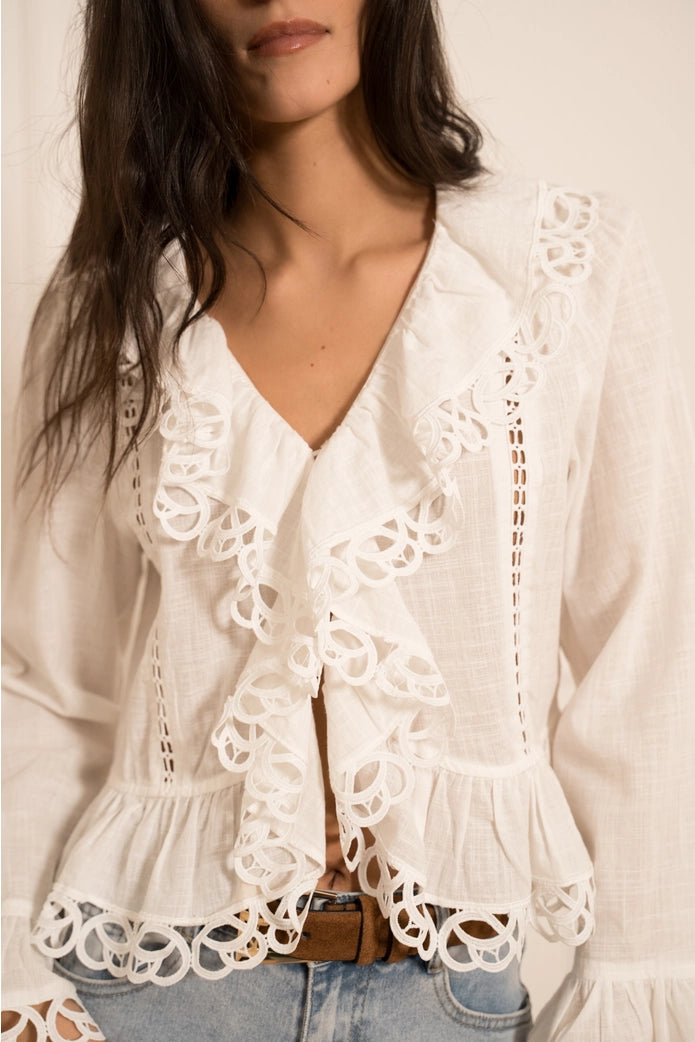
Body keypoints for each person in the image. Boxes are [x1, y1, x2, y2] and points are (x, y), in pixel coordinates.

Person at [2, 0, 694, 1039]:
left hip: (444, 1000)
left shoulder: (561, 272)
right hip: (148, 994)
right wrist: (18, 982)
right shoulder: (110, 307)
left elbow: (646, 663)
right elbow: (48, 686)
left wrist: (633, 986)